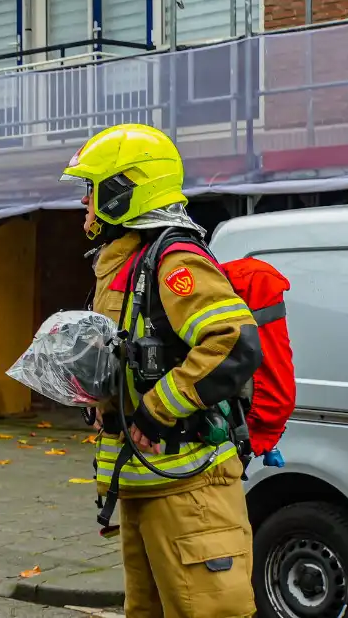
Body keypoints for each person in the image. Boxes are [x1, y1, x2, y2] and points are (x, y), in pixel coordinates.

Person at [61, 123, 261, 618]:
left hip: (191, 491)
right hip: (147, 486)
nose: (85, 203)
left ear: (122, 191)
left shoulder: (173, 260)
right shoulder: (124, 264)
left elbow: (233, 342)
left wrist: (153, 412)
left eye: (92, 189)